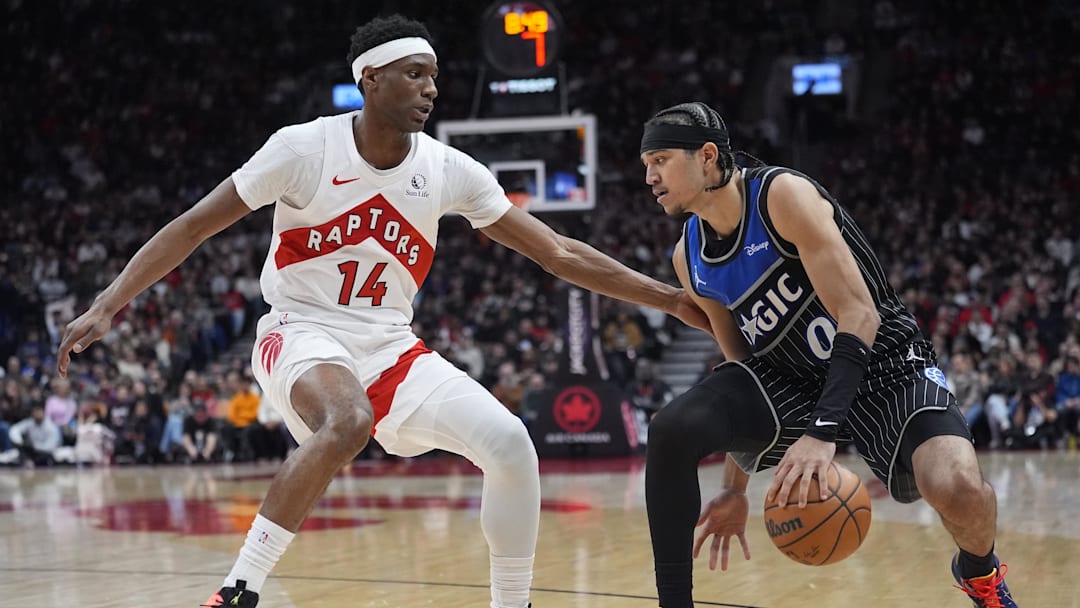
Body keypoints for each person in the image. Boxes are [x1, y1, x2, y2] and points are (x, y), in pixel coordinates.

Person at [56, 16, 707, 608]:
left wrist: (670, 298)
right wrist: (109, 305)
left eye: (434, 77)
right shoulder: (303, 148)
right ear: (370, 79)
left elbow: (560, 251)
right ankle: (238, 591)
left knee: (510, 445)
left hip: (390, 346)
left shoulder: (450, 169)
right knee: (349, 420)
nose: (430, 89)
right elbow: (194, 225)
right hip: (300, 330)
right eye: (415, 74)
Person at [637, 102, 1017, 608]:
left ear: (708, 157)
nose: (650, 176)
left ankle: (980, 572)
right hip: (792, 383)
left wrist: (822, 433)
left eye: (660, 159)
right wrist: (735, 487)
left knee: (960, 490)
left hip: (885, 366)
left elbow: (860, 314)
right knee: (670, 428)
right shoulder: (691, 258)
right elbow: (743, 373)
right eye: (646, 165)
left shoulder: (781, 196)